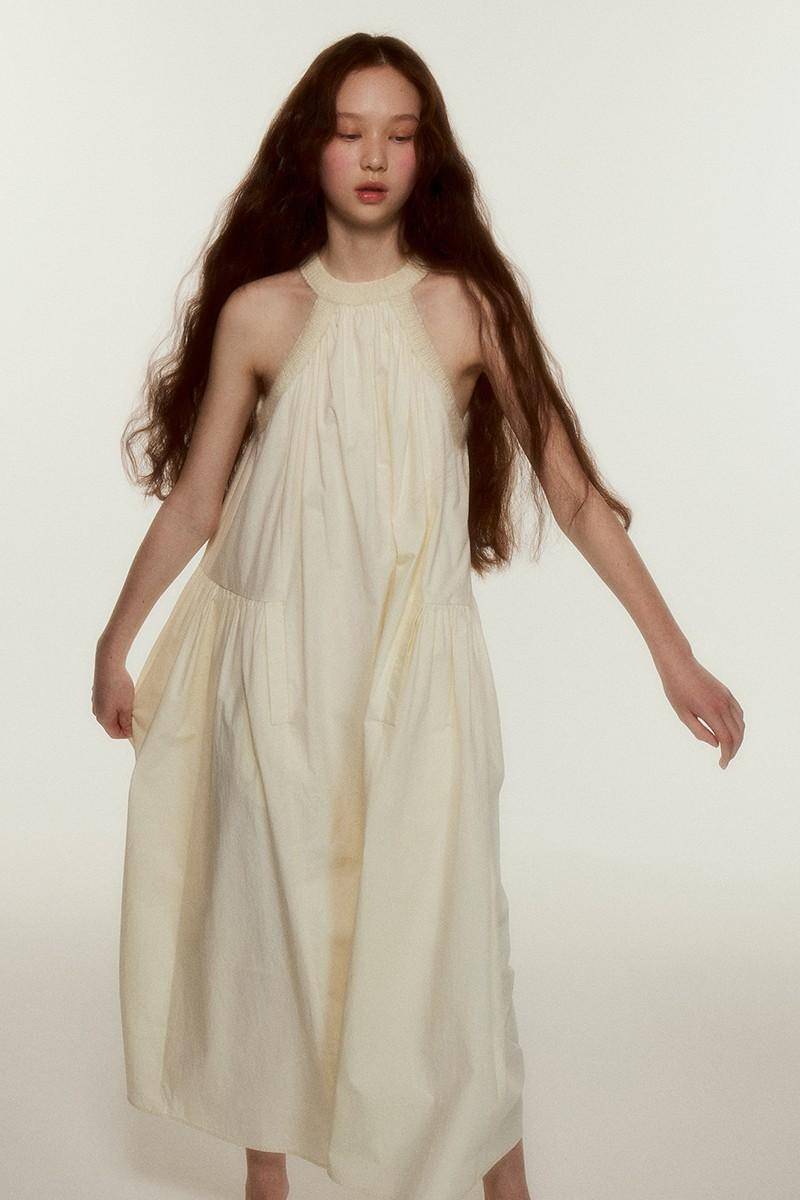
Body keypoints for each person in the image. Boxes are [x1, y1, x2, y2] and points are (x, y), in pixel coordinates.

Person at [92, 31, 745, 1200]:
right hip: (276, 672)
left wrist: (673, 655)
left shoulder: (463, 310)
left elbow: (571, 492)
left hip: (414, 676)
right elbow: (197, 503)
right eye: (349, 132)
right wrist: (114, 639)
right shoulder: (260, 314)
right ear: (311, 149)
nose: (371, 157)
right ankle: (265, 1183)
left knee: (446, 956)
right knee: (267, 928)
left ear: (424, 156)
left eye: (397, 135)